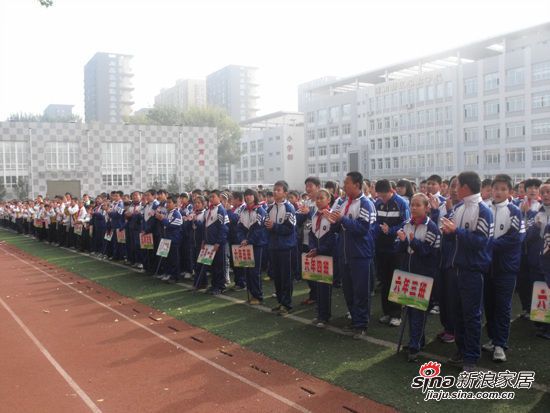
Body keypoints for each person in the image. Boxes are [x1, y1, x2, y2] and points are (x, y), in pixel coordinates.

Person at [441, 171, 493, 371]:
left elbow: (481, 242)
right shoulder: (458, 208)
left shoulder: (483, 211)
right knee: (458, 313)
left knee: (471, 315)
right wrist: (447, 233)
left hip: (472, 271)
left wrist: (456, 231)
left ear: (465, 187)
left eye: (457, 185)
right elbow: (451, 237)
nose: (454, 190)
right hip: (455, 269)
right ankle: (461, 350)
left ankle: (471, 356)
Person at [483, 174, 525, 362]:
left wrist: (488, 244)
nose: (498, 192)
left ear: (510, 192)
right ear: (491, 189)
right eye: (496, 188)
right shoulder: (484, 208)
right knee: (489, 305)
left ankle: (500, 344)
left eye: (503, 189)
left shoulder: (514, 210)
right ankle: (493, 338)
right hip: (486, 266)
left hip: (505, 268)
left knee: (503, 306)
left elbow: (515, 239)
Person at [329, 171, 376, 339]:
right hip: (344, 253)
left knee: (361, 291)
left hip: (360, 254)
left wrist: (342, 220)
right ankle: (355, 319)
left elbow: (363, 229)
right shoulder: (342, 203)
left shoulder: (366, 203)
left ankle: (361, 324)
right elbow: (337, 227)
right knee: (348, 290)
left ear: (356, 185)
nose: (344, 185)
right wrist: (333, 221)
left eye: (346, 182)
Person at [395, 193, 441, 362]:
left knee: (419, 312)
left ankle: (415, 345)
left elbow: (427, 252)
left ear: (426, 208)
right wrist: (401, 242)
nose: (413, 208)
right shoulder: (406, 224)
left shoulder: (432, 228)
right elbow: (398, 249)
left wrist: (412, 242)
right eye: (412, 205)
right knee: (408, 309)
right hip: (407, 273)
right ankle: (416, 341)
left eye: (417, 205)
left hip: (423, 275)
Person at [374, 179, 410, 327]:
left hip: (395, 248)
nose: (381, 198)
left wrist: (391, 231)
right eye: (379, 196)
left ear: (391, 191)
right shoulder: (377, 203)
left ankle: (396, 314)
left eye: (384, 195)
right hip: (381, 247)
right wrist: (379, 228)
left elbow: (406, 222)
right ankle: (387, 312)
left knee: (396, 281)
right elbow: (374, 221)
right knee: (385, 280)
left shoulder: (401, 203)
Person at [307, 189, 337, 328]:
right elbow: (312, 234)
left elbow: (332, 238)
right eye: (317, 198)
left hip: (327, 255)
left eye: (321, 198)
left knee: (325, 286)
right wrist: (313, 247)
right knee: (318, 284)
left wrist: (320, 249)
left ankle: (325, 316)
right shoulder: (314, 215)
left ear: (328, 200)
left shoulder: (331, 215)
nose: (318, 200)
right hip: (317, 254)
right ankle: (320, 313)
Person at [266, 180, 297, 315]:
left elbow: (290, 229)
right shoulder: (270, 208)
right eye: (274, 189)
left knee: (286, 277)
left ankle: (287, 304)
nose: (275, 192)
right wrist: (269, 227)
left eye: (279, 190)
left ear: (285, 193)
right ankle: (280, 301)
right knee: (277, 276)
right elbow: (267, 226)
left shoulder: (289, 208)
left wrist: (274, 227)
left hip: (286, 247)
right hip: (274, 246)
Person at [525, 182, 550, 339]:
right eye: (544, 192)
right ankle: (542, 323)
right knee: (540, 290)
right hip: (538, 260)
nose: (546, 195)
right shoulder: (537, 213)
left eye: (548, 192)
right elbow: (527, 238)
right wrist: (535, 227)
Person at [237, 189, 268, 305]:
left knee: (255, 271)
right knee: (247, 270)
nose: (248, 197)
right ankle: (251, 294)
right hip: (246, 244)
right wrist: (242, 239)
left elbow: (259, 230)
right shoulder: (243, 211)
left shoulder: (260, 211)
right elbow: (239, 227)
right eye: (246, 195)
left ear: (254, 196)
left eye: (250, 195)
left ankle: (258, 295)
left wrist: (249, 240)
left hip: (257, 245)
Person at [297, 177, 321, 305]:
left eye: (310, 186)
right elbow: (298, 220)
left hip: (316, 241)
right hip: (305, 239)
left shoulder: (322, 200)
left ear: (318, 187)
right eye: (306, 186)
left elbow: (321, 217)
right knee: (308, 270)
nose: (308, 189)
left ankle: (319, 297)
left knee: (318, 270)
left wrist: (308, 212)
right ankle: (313, 294)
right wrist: (302, 213)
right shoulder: (305, 201)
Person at [203, 190, 229, 295]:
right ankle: (214, 285)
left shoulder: (221, 210)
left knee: (219, 266)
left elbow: (224, 228)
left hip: (218, 244)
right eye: (210, 197)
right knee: (212, 266)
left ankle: (220, 286)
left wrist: (218, 242)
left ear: (219, 198)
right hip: (209, 243)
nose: (211, 199)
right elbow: (205, 227)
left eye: (213, 197)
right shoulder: (208, 210)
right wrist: (204, 240)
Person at [157, 195, 183, 283]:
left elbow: (171, 225)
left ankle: (175, 277)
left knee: (174, 259)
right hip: (166, 239)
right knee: (167, 258)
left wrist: (162, 219)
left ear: (175, 204)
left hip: (174, 240)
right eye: (166, 203)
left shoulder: (177, 214)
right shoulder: (168, 213)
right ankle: (168, 273)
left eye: (169, 203)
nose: (167, 205)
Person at [228, 191, 247, 289]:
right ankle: (238, 281)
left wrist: (228, 211)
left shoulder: (243, 208)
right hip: (233, 237)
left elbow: (235, 219)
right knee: (235, 262)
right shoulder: (234, 208)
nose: (230, 201)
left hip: (239, 238)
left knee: (240, 262)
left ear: (238, 199)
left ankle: (242, 282)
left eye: (232, 198)